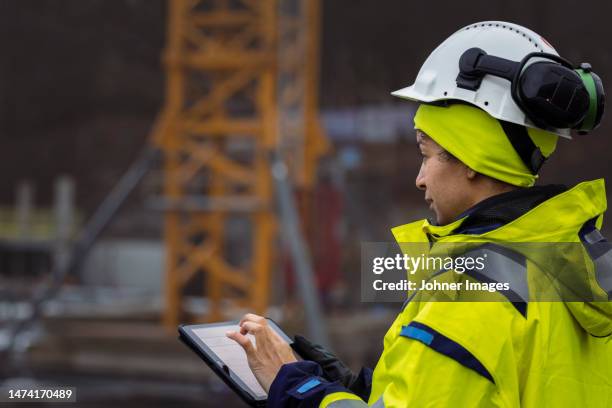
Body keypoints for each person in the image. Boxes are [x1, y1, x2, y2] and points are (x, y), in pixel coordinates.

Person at [227, 21, 612, 407]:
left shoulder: (470, 296)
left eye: (426, 154)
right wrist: (349, 387)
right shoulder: (585, 267)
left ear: (471, 157)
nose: (420, 179)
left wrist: (295, 388)